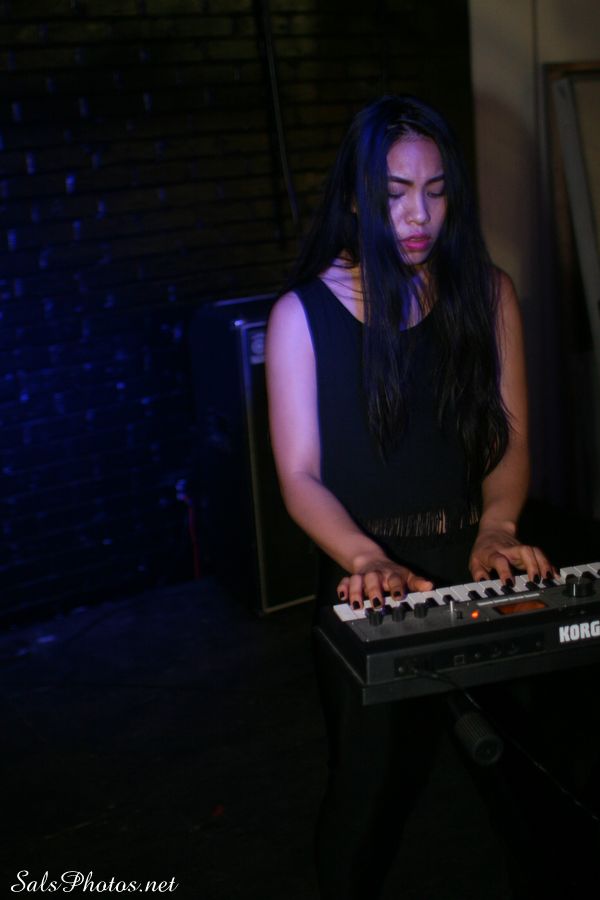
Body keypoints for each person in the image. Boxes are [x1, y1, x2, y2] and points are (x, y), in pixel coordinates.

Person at [265, 95, 598, 899]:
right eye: (395, 194)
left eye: (436, 191)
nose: (418, 215)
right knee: (364, 802)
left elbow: (509, 439)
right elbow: (299, 475)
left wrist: (498, 526)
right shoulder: (301, 314)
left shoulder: (489, 294)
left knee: (537, 789)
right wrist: (364, 558)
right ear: (356, 198)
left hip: (478, 561)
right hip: (366, 580)